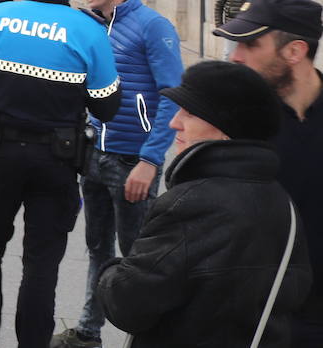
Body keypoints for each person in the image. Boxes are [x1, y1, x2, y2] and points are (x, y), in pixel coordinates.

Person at [0, 0, 121, 348]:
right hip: (57, 161)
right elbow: (107, 104)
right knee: (41, 263)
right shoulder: (88, 29)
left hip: (1, 154)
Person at [96, 60, 311, 346]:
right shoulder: (283, 203)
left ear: (225, 129)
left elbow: (128, 305)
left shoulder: (191, 204)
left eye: (190, 113)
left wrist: (111, 270)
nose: (175, 122)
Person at [52, 0, 183, 348]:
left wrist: (149, 160)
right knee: (97, 250)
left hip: (133, 162)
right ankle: (89, 333)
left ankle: (151, 338)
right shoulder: (91, 25)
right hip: (94, 156)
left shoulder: (153, 26)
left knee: (139, 259)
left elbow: (173, 96)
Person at [222, 0, 323, 345]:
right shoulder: (234, 121)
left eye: (250, 45)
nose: (236, 56)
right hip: (255, 314)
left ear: (295, 52)